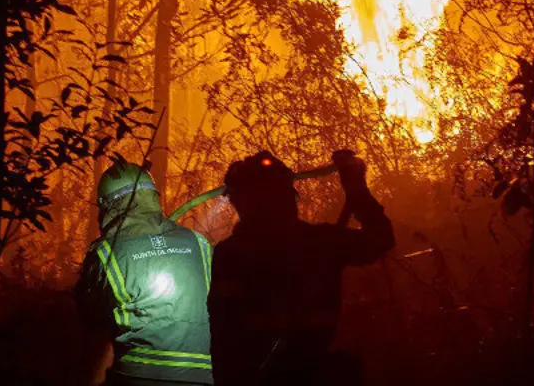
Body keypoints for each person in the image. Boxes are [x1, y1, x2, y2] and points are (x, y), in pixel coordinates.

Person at [208, 149, 395, 386]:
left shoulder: (231, 254)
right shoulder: (322, 243)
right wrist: (357, 189)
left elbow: (221, 335)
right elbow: (381, 238)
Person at [75, 161, 215, 385]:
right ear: (152, 196)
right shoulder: (198, 243)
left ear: (107, 206)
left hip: (137, 375)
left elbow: (94, 328)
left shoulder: (105, 253)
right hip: (202, 375)